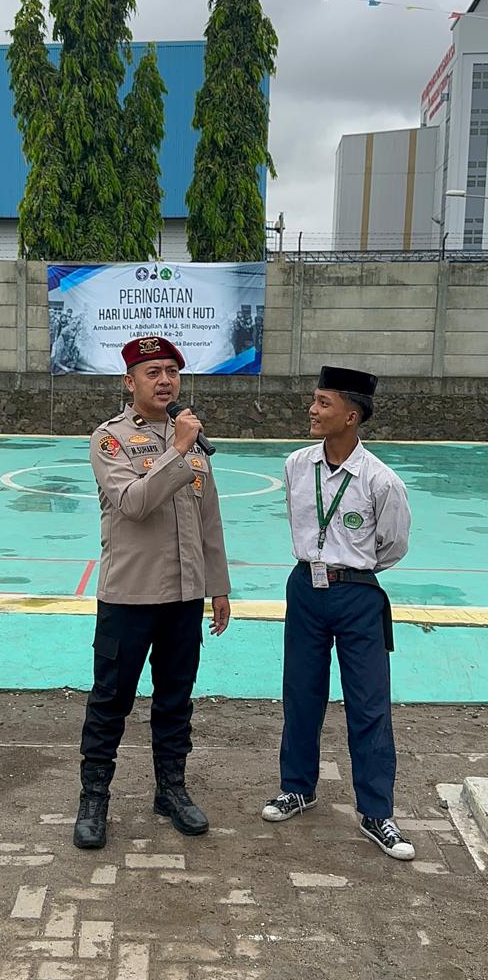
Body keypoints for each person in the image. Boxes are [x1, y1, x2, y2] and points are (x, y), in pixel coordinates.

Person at [73, 335, 231, 850]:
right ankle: (94, 799)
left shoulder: (193, 439)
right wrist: (178, 450)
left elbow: (209, 521)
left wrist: (218, 587)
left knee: (175, 699)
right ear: (129, 382)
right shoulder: (110, 440)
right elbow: (135, 503)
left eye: (172, 372)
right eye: (153, 372)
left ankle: (171, 790)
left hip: (184, 598)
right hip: (129, 597)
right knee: (111, 701)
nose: (165, 381)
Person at [262, 366, 415, 860]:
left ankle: (377, 812)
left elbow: (392, 546)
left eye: (323, 403)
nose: (312, 410)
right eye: (314, 400)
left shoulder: (381, 481)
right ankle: (298, 788)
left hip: (357, 595)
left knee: (368, 703)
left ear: (351, 416)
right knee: (300, 693)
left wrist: (351, 568)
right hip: (305, 589)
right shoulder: (296, 465)